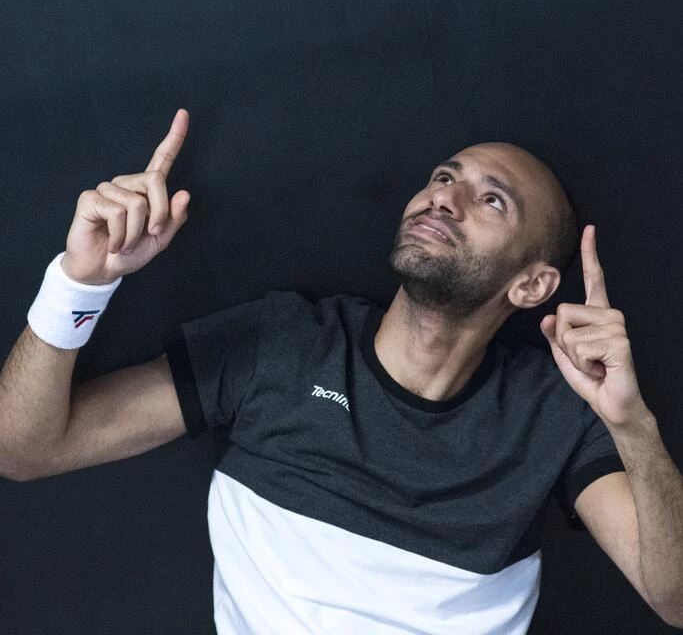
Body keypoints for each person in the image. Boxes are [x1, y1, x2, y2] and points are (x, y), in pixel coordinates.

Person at [1, 109, 681, 634]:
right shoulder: (281, 342)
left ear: (532, 285)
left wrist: (632, 425)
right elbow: (24, 451)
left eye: (491, 200)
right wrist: (79, 284)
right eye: (443, 177)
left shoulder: (553, 412)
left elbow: (674, 599)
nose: (443, 198)